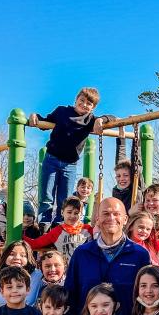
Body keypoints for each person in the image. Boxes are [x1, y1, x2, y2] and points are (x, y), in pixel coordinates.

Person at [27, 87, 114, 225]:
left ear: (93, 108)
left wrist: (100, 120)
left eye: (89, 104)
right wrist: (34, 116)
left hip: (70, 165)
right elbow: (45, 122)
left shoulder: (90, 119)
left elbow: (112, 118)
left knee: (65, 199)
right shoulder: (62, 111)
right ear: (76, 100)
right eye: (82, 100)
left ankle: (60, 227)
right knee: (46, 197)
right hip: (51, 160)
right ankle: (44, 226)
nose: (84, 104)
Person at [24, 196, 92, 260]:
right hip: (66, 270)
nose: (72, 216)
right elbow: (35, 244)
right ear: (62, 212)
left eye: (76, 213)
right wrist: (20, 234)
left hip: (85, 269)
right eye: (69, 212)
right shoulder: (57, 231)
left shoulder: (87, 229)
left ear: (81, 215)